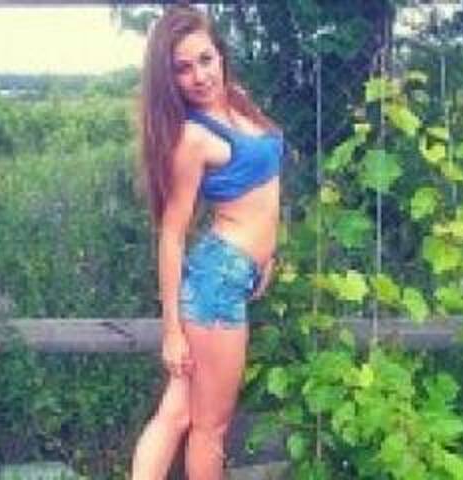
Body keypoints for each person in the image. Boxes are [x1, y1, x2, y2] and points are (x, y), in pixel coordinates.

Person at [131, 5, 283, 480]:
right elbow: (172, 233)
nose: (199, 76)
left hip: (232, 274)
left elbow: (265, 192)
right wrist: (172, 330)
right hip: (218, 282)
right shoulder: (193, 137)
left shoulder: (239, 102)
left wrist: (266, 257)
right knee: (209, 427)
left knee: (177, 412)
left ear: (220, 56)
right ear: (169, 78)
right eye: (183, 68)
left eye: (205, 60)